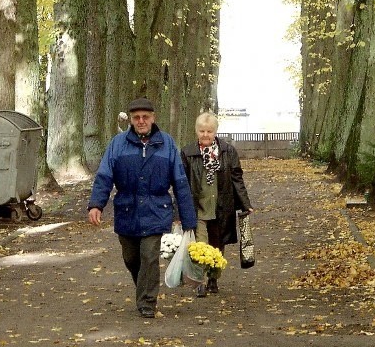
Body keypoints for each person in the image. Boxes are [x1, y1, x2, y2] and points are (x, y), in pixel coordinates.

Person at [87, 97, 197, 318]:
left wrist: (188, 219)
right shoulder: (118, 144)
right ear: (131, 120)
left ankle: (148, 302)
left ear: (153, 118)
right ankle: (143, 289)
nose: (141, 121)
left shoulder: (167, 144)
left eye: (145, 117)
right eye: (136, 117)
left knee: (149, 256)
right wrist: (96, 204)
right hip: (126, 209)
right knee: (131, 258)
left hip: (157, 209)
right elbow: (105, 175)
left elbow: (181, 182)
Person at [181, 111, 253, 297]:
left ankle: (213, 278)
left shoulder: (228, 152)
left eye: (209, 131)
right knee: (199, 246)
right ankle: (199, 282)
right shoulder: (188, 153)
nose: (205, 135)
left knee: (217, 246)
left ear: (215, 132)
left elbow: (237, 178)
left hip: (222, 206)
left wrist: (245, 203)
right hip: (199, 208)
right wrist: (179, 210)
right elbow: (182, 183)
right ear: (196, 131)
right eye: (202, 131)